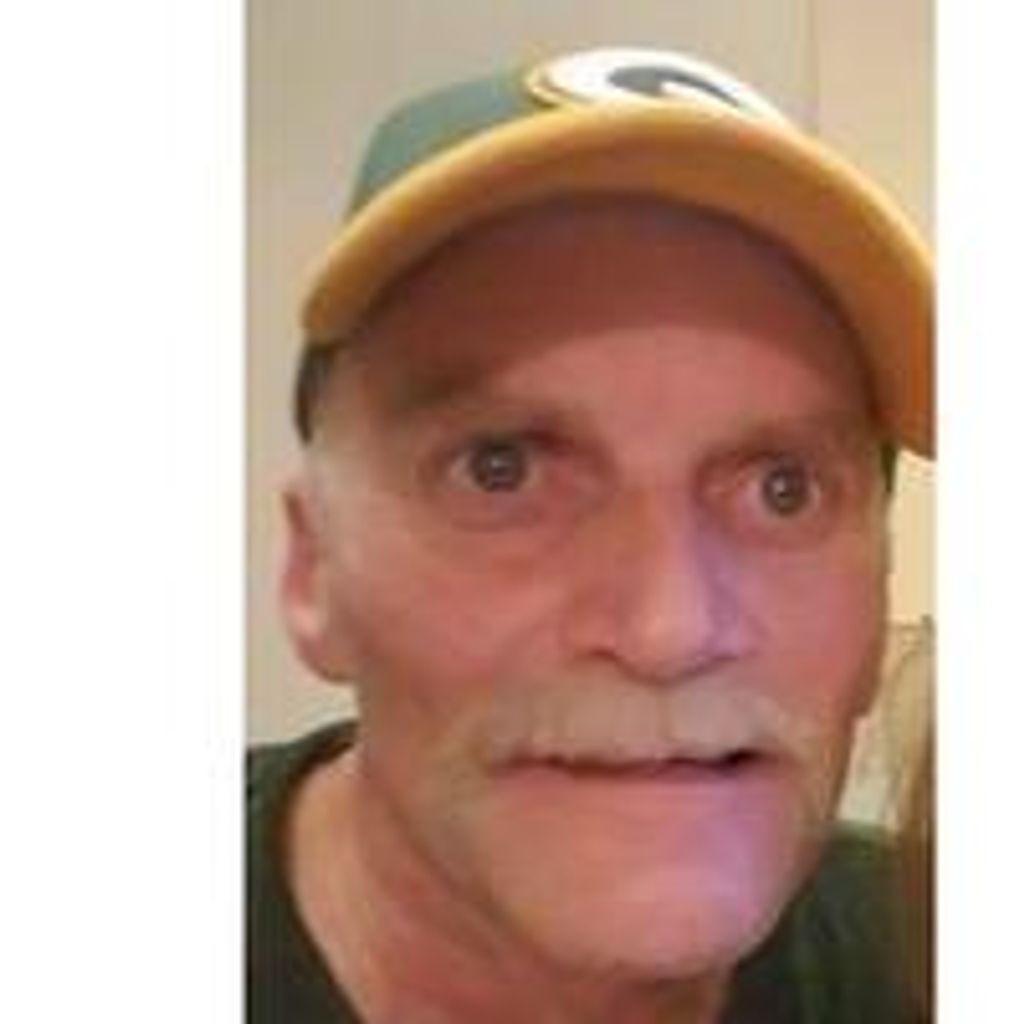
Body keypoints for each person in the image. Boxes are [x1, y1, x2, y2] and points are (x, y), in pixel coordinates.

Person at [248, 46, 933, 1023]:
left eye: (782, 490)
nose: (669, 629)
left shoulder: (932, 957)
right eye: (501, 469)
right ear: (313, 569)